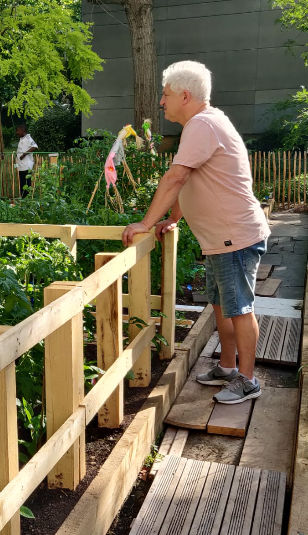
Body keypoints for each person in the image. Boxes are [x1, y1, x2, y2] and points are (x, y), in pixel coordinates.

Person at [121, 60, 270, 405]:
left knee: (239, 308)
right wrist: (174, 217)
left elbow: (175, 178)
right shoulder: (203, 124)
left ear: (185, 96)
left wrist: (145, 223)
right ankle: (228, 367)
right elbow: (192, 179)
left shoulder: (202, 125)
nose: (162, 101)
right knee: (221, 305)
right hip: (221, 239)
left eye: (166, 94)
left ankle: (248, 380)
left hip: (234, 237)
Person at [15, 124, 38, 198]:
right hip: (21, 166)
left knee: (27, 184)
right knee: (22, 183)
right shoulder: (21, 139)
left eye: (18, 131)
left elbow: (35, 146)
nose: (17, 132)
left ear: (23, 130)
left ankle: (27, 199)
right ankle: (23, 198)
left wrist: (24, 154)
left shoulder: (28, 138)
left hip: (26, 166)